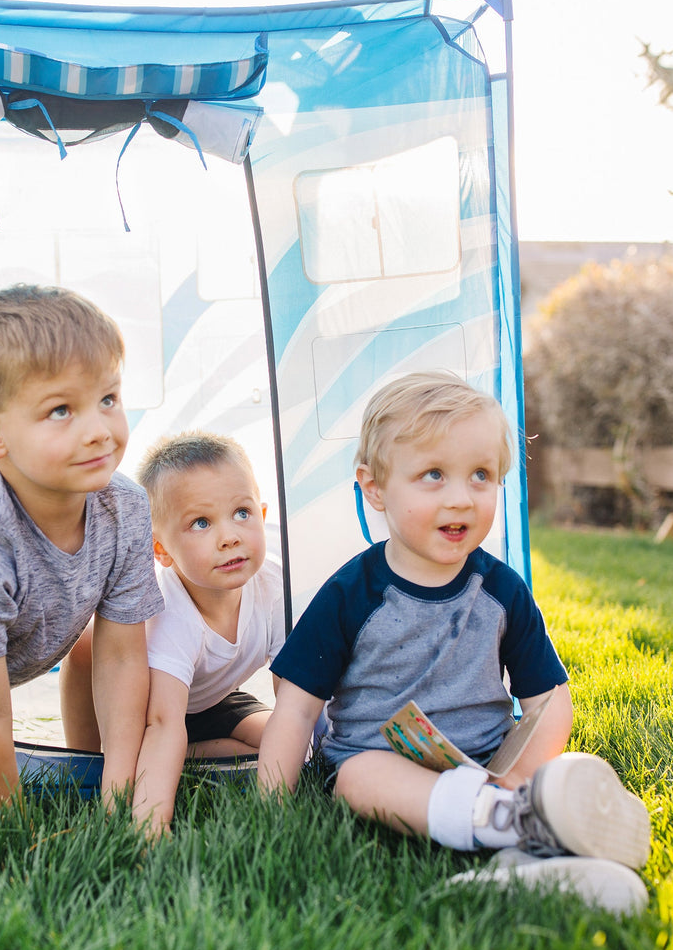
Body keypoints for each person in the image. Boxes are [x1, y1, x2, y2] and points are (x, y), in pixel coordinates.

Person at [258, 371, 651, 912]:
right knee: (358, 779)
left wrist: (515, 774)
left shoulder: (500, 591)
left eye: (481, 476)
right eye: (434, 475)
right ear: (374, 488)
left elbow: (548, 701)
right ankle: (519, 831)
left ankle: (517, 838)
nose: (462, 498)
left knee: (563, 764)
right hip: (383, 764)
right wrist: (272, 813)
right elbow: (296, 710)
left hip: (488, 758)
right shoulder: (351, 594)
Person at [0, 285, 164, 809]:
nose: (100, 431)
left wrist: (120, 792)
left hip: (44, 629)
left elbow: (122, 656)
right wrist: (11, 829)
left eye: (108, 399)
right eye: (61, 410)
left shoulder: (125, 506)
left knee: (91, 647)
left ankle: (92, 770)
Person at [129, 431, 286, 834]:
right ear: (161, 550)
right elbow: (163, 724)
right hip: (153, 709)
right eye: (201, 522)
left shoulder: (273, 586)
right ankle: (167, 759)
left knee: (282, 737)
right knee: (156, 747)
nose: (230, 536)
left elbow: (293, 695)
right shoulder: (169, 612)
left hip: (212, 700)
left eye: (242, 513)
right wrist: (151, 829)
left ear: (263, 513)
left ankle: (189, 756)